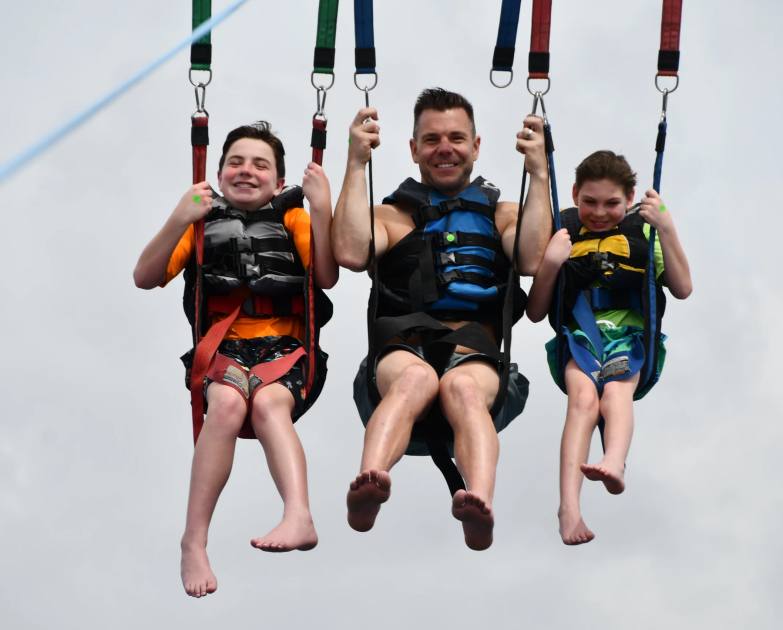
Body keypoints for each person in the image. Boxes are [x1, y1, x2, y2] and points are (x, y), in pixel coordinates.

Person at [332, 88, 551, 550]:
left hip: (475, 355)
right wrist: (355, 163)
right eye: (431, 140)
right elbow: (351, 251)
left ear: (476, 145)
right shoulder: (393, 216)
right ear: (413, 150)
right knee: (416, 380)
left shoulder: (503, 214)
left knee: (462, 388)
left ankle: (479, 501)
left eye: (456, 137)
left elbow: (531, 258)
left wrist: (539, 171)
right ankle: (370, 482)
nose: (444, 148)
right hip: (401, 353)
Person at [133, 122, 337, 597]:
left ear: (280, 182)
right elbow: (144, 276)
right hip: (223, 348)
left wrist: (322, 210)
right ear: (220, 173)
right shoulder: (200, 223)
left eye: (260, 165)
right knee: (224, 405)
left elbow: (325, 277)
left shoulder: (295, 219)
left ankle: (299, 514)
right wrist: (178, 217)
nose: (247, 171)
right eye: (236, 163)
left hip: (286, 350)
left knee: (268, 405)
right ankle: (194, 541)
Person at [526, 150, 692, 545]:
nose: (599, 212)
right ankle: (569, 508)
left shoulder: (645, 233)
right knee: (582, 399)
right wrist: (550, 264)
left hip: (630, 339)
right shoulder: (563, 231)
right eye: (590, 202)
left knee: (616, 391)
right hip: (579, 338)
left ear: (630, 199)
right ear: (574, 194)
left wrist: (666, 227)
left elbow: (683, 288)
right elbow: (534, 313)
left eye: (612, 203)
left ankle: (614, 461)